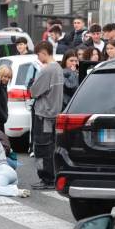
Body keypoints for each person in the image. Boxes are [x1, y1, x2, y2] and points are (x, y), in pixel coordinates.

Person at [30, 41, 64, 190]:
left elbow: (34, 91)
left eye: (38, 54)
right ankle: (52, 177)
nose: (38, 57)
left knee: (42, 147)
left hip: (43, 114)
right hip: (54, 113)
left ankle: (46, 178)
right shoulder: (58, 68)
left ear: (44, 52)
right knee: (51, 146)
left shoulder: (47, 70)